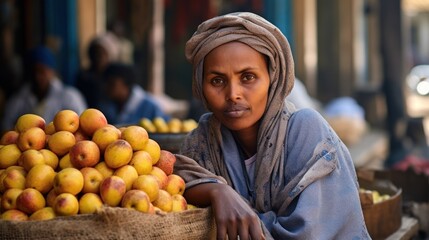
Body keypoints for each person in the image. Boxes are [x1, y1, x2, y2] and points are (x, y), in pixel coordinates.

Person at [174, 12, 370, 240]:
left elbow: (309, 233)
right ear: (201, 85)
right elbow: (177, 180)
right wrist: (217, 190)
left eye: (247, 77)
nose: (233, 94)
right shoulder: (202, 141)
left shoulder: (306, 130)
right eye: (217, 80)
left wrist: (244, 217)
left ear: (272, 79)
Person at [1, 46, 87, 132]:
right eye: (34, 71)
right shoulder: (19, 98)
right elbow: (5, 126)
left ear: (51, 71)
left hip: (62, 143)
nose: (37, 76)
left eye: (42, 71)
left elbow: (82, 125)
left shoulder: (70, 97)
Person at [98, 62, 170, 125]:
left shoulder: (150, 107)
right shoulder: (105, 106)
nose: (106, 87)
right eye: (105, 83)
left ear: (126, 83)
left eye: (112, 83)